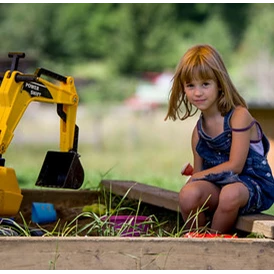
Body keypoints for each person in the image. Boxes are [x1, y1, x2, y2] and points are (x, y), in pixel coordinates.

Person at [164, 44, 274, 234]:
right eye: (191, 85)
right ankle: (196, 239)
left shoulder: (239, 116)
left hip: (252, 186)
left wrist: (198, 176)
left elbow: (235, 166)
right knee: (189, 195)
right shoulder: (199, 132)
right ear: (183, 88)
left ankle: (214, 242)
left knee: (230, 193)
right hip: (220, 188)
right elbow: (198, 177)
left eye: (205, 84)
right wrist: (194, 179)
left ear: (219, 84)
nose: (198, 92)